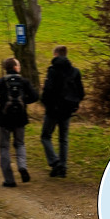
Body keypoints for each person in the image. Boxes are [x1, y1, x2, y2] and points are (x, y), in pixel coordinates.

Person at [0, 57, 39, 187]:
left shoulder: (0, 82)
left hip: (4, 118)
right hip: (20, 117)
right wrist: (23, 102)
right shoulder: (24, 81)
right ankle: (22, 166)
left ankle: (9, 179)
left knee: (4, 147)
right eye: (18, 64)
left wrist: (2, 101)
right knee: (20, 144)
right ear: (15, 67)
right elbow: (35, 96)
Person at [39, 46, 85, 178]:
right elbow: (81, 92)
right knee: (63, 139)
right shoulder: (75, 71)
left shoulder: (52, 70)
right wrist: (75, 104)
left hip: (53, 109)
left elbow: (48, 90)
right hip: (67, 109)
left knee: (45, 136)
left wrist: (45, 102)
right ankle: (63, 167)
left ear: (56, 54)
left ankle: (55, 161)